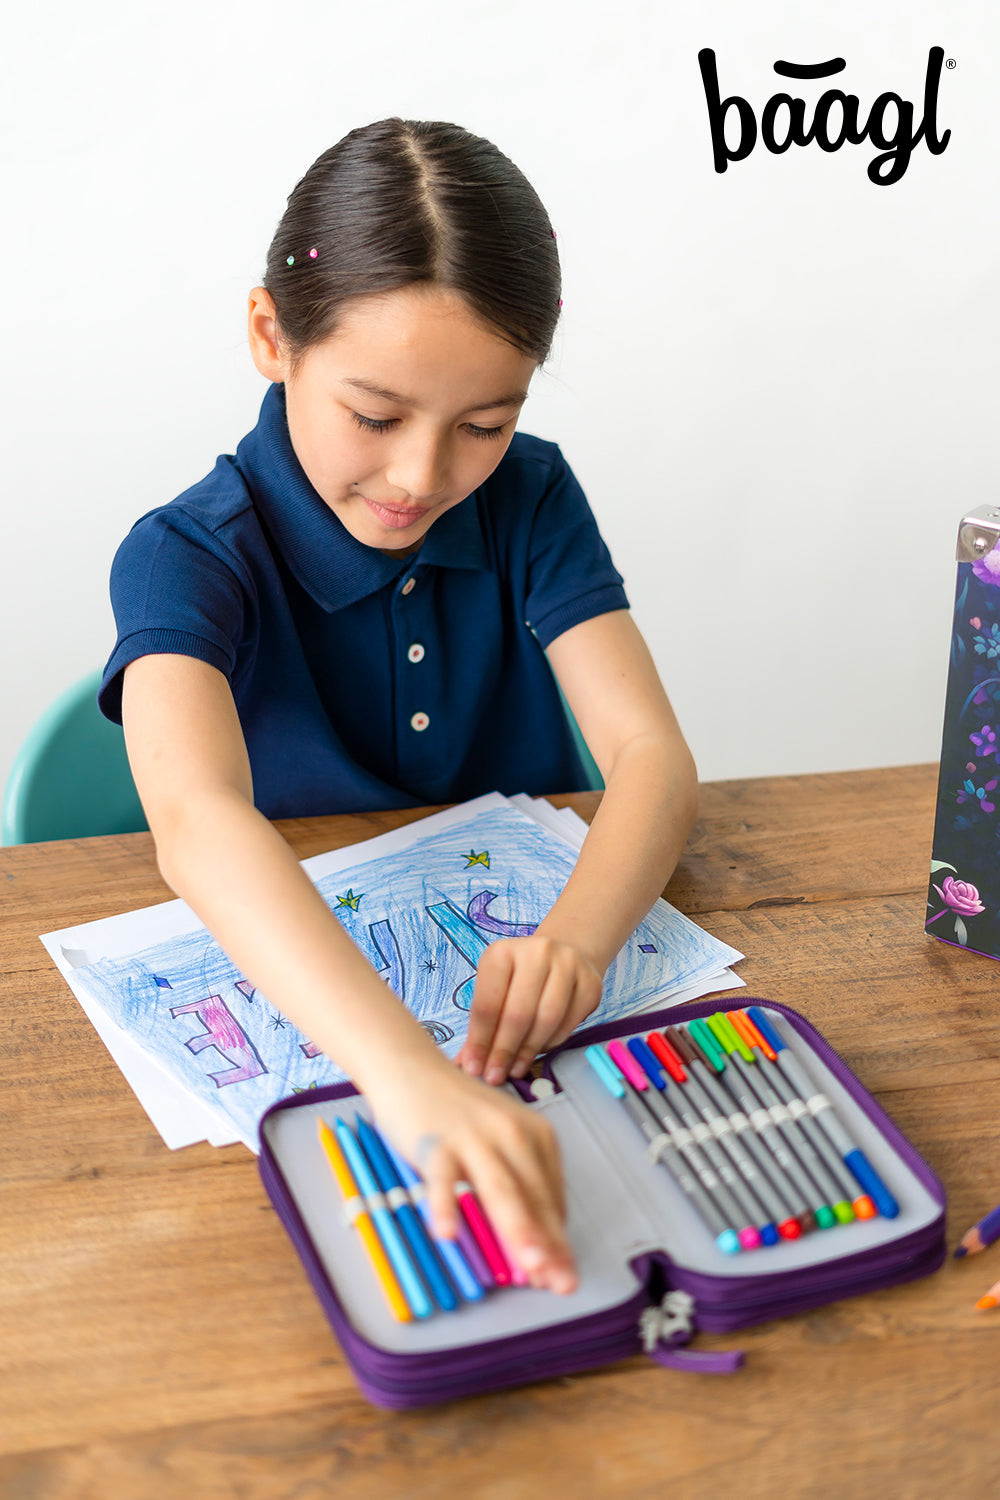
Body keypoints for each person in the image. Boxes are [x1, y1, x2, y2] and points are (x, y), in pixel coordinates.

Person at [99, 118, 698, 1295]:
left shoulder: (530, 497)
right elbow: (198, 823)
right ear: (272, 335)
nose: (426, 475)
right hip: (312, 1064)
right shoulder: (185, 554)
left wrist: (578, 940)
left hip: (539, 1016)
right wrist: (403, 1074)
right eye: (375, 416)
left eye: (485, 422)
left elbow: (651, 755)